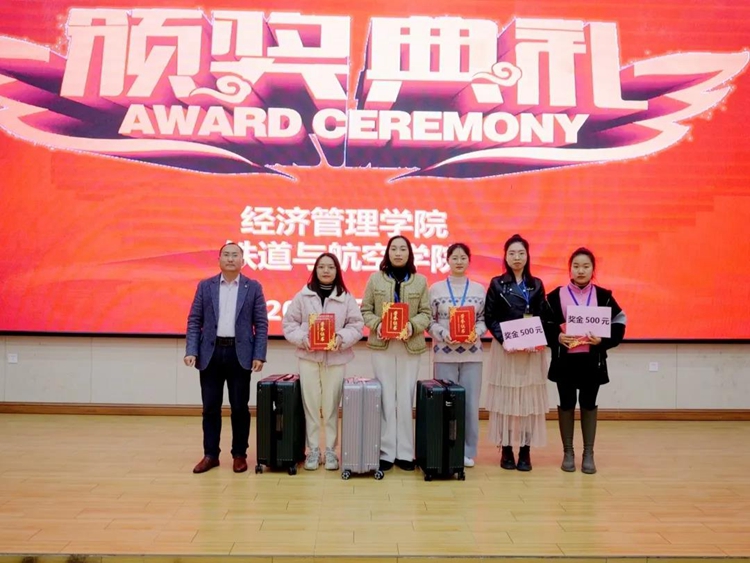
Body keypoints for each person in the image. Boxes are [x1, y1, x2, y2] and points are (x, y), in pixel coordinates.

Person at [184, 242, 269, 474]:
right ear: (219, 260)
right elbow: (194, 320)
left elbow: (261, 324)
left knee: (240, 407)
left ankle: (239, 454)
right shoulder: (205, 286)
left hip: (239, 354)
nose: (231, 259)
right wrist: (191, 350)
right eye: (226, 255)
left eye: (235, 255)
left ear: (243, 261)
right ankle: (210, 455)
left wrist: (259, 354)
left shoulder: (253, 287)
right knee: (210, 407)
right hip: (210, 353)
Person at [546, 247, 627, 474]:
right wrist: (557, 337)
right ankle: (568, 452)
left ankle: (588, 453)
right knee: (566, 403)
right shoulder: (555, 296)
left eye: (585, 266)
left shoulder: (603, 296)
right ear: (569, 269)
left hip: (592, 362)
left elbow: (620, 321)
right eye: (576, 266)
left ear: (593, 269)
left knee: (589, 404)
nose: (580, 271)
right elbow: (544, 323)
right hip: (565, 362)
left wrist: (603, 340)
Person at [282, 253, 364, 471]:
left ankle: (330, 451)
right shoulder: (303, 296)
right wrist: (304, 339)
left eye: (331, 267)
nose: (326, 271)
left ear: (337, 271)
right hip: (309, 358)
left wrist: (341, 338)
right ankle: (312, 450)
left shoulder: (345, 297)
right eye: (321, 267)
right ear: (315, 270)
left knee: (331, 406)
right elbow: (289, 324)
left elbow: (357, 325)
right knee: (310, 406)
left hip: (335, 360)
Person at [361, 235, 431, 472]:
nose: (398, 253)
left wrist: (411, 326)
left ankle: (405, 453)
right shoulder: (375, 279)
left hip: (410, 347)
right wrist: (379, 325)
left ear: (409, 253)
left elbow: (426, 313)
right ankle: (386, 451)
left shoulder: (420, 281)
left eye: (403, 249)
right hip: (383, 346)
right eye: (394, 249)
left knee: (405, 398)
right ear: (387, 252)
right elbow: (365, 310)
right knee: (386, 399)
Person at [484, 234, 550, 471]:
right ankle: (506, 450)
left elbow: (543, 316)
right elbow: (490, 317)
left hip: (531, 352)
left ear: (528, 256)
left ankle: (525, 451)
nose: (517, 257)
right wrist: (506, 339)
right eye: (512, 253)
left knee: (527, 402)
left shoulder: (537, 284)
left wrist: (536, 338)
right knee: (506, 401)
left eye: (521, 253)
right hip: (506, 351)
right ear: (505, 256)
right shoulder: (496, 284)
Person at [427, 243, 487, 468]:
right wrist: (443, 334)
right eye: (455, 257)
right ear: (448, 260)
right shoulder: (436, 289)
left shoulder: (479, 290)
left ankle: (467, 451)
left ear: (469, 260)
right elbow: (429, 321)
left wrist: (476, 333)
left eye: (463, 257)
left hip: (472, 356)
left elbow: (484, 319)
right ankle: (444, 448)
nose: (459, 261)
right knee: (445, 404)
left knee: (470, 405)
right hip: (444, 355)